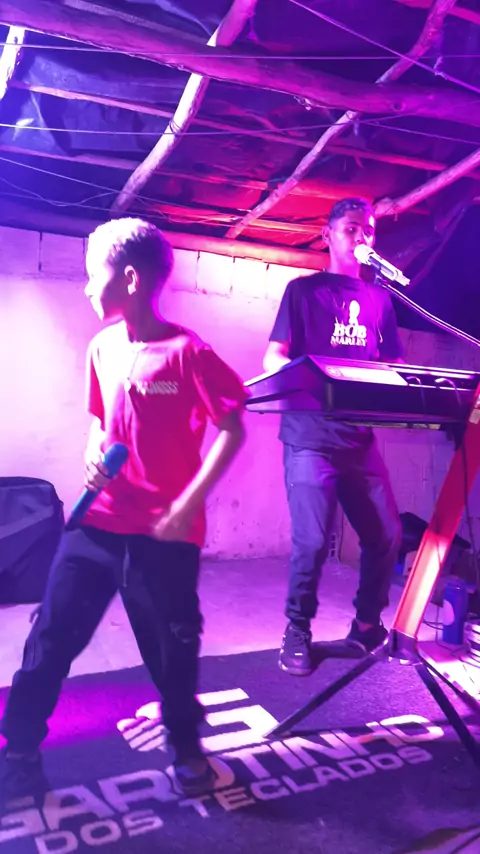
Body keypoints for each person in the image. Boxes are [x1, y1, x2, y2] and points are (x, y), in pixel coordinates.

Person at [0, 218, 246, 801]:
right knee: (50, 638)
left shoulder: (189, 353)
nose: (87, 287)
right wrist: (92, 455)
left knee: (172, 650)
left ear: (131, 279)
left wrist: (187, 505)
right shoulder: (102, 347)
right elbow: (98, 421)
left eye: (95, 276)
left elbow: (233, 427)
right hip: (96, 525)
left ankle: (186, 750)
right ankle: (19, 751)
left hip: (164, 536)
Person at [263, 197, 403, 677]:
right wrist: (304, 377)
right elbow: (273, 357)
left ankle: (366, 626)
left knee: (386, 534)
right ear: (327, 235)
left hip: (358, 439)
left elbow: (392, 364)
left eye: (369, 230)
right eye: (351, 228)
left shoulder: (381, 299)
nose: (362, 237)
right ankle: (297, 630)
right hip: (310, 438)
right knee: (312, 540)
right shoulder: (302, 292)